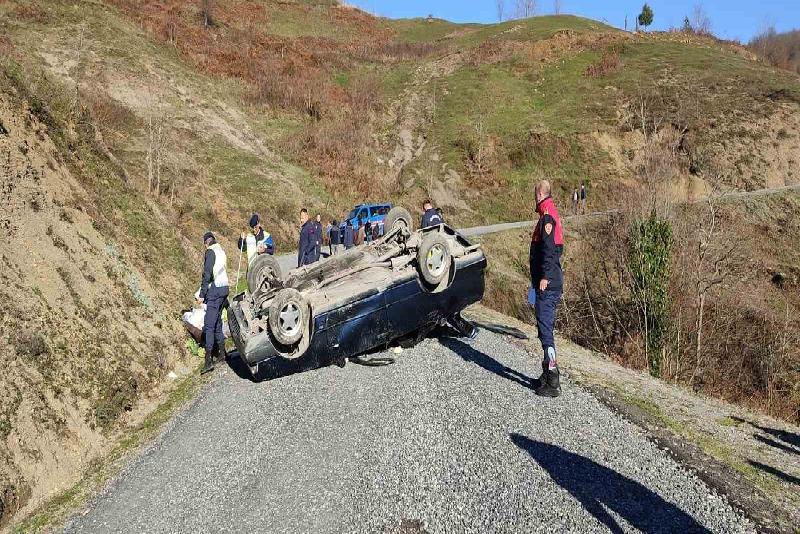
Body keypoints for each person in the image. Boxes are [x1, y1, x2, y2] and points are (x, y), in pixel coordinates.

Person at [529, 180, 564, 397]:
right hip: (546, 283)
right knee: (544, 329)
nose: (534, 198)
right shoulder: (547, 215)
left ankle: (552, 381)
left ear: (541, 194)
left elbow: (550, 251)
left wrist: (544, 277)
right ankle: (546, 373)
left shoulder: (548, 217)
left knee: (546, 331)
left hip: (547, 285)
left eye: (535, 194)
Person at [197, 232, 229, 375]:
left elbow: (207, 273)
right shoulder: (220, 250)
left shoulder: (210, 252)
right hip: (225, 288)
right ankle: (222, 353)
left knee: (209, 325)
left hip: (215, 291)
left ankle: (208, 361)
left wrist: (202, 295)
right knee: (217, 323)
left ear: (206, 242)